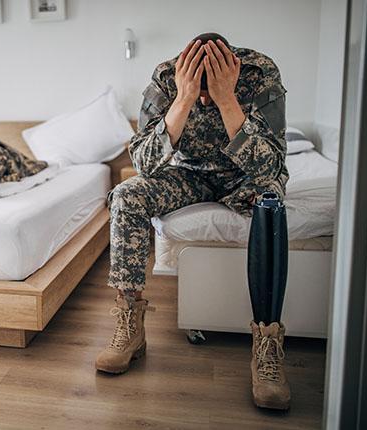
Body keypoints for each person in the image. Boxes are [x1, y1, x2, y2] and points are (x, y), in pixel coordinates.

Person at [95, 33, 292, 410]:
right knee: (126, 194)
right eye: (198, 93)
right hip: (191, 176)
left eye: (208, 93)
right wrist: (183, 98)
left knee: (271, 199)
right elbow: (143, 162)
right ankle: (129, 323)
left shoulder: (261, 72)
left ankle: (267, 344)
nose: (205, 101)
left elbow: (269, 164)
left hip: (246, 177)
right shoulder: (167, 78)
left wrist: (226, 98)